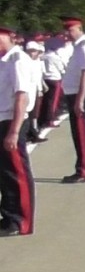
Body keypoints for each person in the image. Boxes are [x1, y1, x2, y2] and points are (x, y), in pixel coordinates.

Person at [0, 26, 36, 237]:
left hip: (12, 121)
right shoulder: (4, 60)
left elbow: (22, 96)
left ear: (8, 37)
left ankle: (22, 221)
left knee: (17, 172)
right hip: (2, 119)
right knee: (4, 174)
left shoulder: (18, 60)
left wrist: (14, 131)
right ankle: (9, 216)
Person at [60, 16, 85, 184]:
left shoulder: (84, 46)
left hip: (79, 93)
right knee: (78, 134)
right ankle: (82, 169)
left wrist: (80, 99)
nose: (68, 33)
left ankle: (83, 171)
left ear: (79, 29)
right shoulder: (79, 46)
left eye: (71, 30)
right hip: (74, 93)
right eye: (66, 30)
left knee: (81, 134)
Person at [35, 33, 68, 140]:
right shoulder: (54, 57)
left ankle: (44, 117)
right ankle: (50, 118)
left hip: (45, 79)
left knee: (46, 100)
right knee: (53, 101)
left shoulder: (43, 56)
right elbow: (62, 68)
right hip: (54, 79)